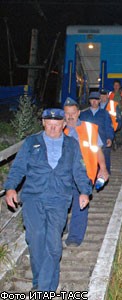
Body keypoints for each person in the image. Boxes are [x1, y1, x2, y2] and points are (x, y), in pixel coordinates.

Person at [4, 108, 92, 291]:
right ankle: (42, 284)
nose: (53, 128)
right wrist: (10, 187)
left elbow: (79, 170)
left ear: (64, 124)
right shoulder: (31, 143)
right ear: (43, 123)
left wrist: (84, 191)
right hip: (33, 198)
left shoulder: (72, 145)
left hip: (59, 199)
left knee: (53, 245)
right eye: (49, 124)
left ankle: (43, 289)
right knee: (36, 240)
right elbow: (19, 167)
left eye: (57, 125)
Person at [63, 98, 109, 247]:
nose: (70, 117)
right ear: (63, 114)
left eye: (73, 113)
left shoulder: (89, 129)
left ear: (78, 113)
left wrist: (102, 168)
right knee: (61, 203)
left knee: (80, 204)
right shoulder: (57, 129)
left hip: (85, 173)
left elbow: (98, 150)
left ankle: (75, 237)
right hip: (62, 175)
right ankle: (61, 228)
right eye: (67, 114)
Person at [80, 91, 114, 174]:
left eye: (96, 99)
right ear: (89, 101)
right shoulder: (83, 114)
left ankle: (103, 178)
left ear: (99, 101)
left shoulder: (105, 113)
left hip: (102, 142)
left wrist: (109, 138)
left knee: (104, 162)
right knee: (88, 164)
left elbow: (108, 126)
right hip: (88, 143)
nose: (94, 101)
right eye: (92, 99)